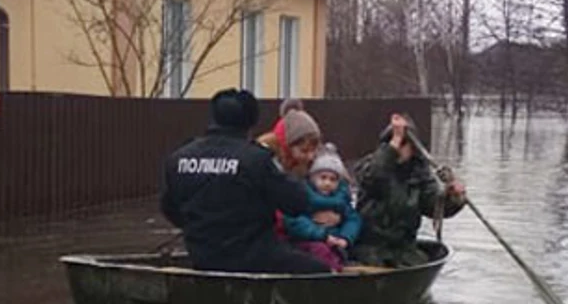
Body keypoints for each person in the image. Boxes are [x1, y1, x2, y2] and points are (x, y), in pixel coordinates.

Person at [159, 88, 330, 274]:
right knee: (319, 270)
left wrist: (201, 229)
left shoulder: (179, 158)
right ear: (251, 121)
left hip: (202, 255)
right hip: (254, 257)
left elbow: (170, 208)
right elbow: (297, 202)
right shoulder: (255, 159)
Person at [352, 114, 467, 267]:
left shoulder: (420, 174)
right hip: (370, 248)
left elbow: (434, 205)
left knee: (417, 261)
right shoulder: (369, 166)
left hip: (404, 249)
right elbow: (374, 177)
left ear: (413, 148)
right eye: (394, 143)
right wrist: (395, 141)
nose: (399, 148)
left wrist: (454, 197)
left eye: (404, 144)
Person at [283, 143, 362, 272]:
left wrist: (345, 238)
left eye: (333, 179)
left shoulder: (341, 199)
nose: (327, 183)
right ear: (313, 177)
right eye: (323, 178)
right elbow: (296, 220)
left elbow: (353, 219)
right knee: (319, 251)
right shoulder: (304, 196)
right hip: (312, 240)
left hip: (336, 241)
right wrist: (322, 234)